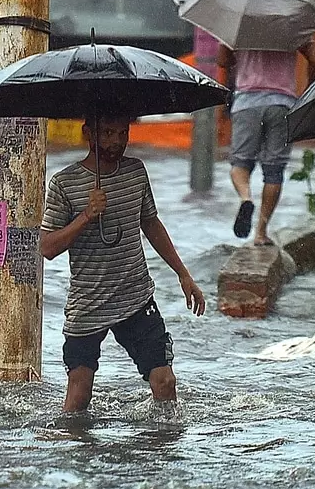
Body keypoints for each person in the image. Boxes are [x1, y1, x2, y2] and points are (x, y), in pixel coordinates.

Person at [41, 115, 206, 416]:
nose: (116, 141)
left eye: (122, 133)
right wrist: (86, 216)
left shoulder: (135, 172)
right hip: (89, 302)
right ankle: (72, 453)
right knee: (79, 393)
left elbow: (150, 222)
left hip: (135, 296)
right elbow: (48, 247)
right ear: (88, 133)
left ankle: (162, 452)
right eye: (107, 133)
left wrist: (183, 274)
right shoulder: (64, 183)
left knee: (165, 381)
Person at [221, 41, 315, 245]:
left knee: (240, 164)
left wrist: (242, 56)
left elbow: (223, 61)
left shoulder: (239, 23)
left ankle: (245, 198)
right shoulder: (292, 21)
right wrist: (308, 91)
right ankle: (261, 232)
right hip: (282, 104)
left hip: (246, 103)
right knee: (274, 170)